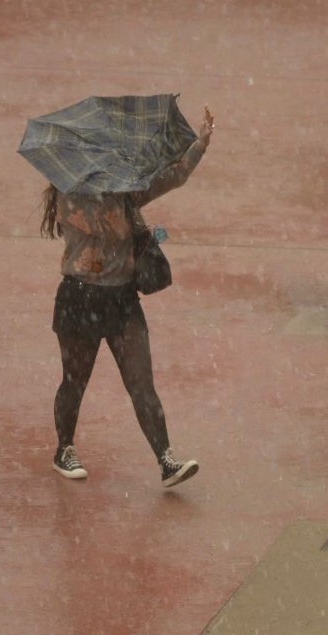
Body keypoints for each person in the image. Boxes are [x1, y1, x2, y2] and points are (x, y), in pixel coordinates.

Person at [39, 106, 214, 488]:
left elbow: (176, 175)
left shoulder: (124, 191)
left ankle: (166, 459)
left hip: (121, 301)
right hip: (80, 299)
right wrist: (132, 200)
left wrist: (199, 144)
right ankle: (64, 449)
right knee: (74, 381)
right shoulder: (71, 195)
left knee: (141, 383)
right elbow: (110, 227)